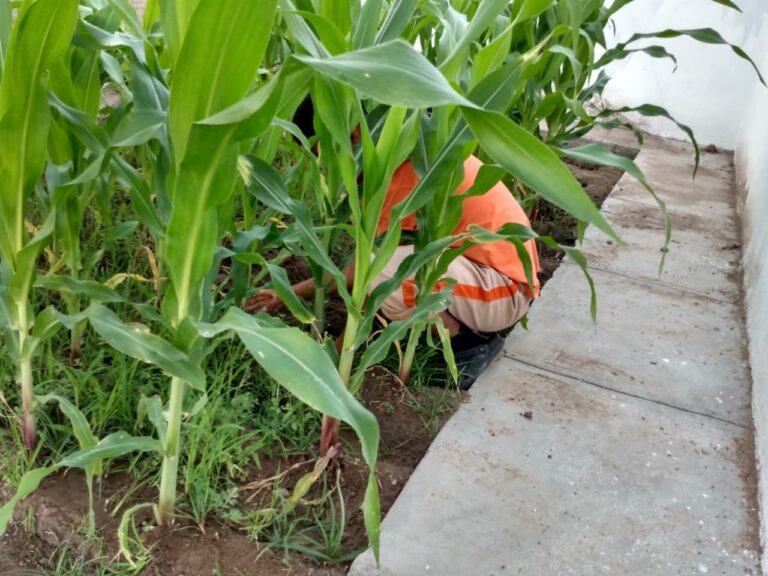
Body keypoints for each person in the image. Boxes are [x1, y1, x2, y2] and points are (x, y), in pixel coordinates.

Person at [246, 104, 540, 389]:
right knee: (386, 268)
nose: (322, 165)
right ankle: (447, 335)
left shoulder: (406, 174)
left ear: (352, 137)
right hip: (477, 277)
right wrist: (284, 295)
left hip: (505, 289)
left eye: (320, 152)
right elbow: (357, 270)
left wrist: (334, 359)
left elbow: (370, 275)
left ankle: (468, 348)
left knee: (389, 271)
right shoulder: (396, 163)